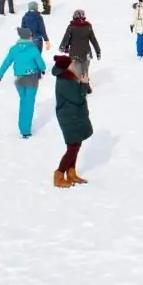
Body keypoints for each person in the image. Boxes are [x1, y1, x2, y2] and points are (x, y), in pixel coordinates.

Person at [0, 27, 48, 138]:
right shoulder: (33, 49)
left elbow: (6, 63)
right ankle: (25, 131)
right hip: (31, 79)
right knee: (29, 104)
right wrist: (42, 69)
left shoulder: (14, 49)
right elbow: (42, 65)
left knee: (23, 102)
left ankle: (22, 127)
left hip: (19, 80)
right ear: (29, 36)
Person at [52, 54, 93, 187]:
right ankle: (59, 175)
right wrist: (84, 83)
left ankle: (71, 173)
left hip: (75, 116)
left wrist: (83, 83)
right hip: (68, 118)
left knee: (76, 145)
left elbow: (80, 94)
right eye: (70, 64)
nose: (73, 65)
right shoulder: (64, 81)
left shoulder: (69, 77)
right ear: (65, 67)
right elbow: (77, 98)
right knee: (72, 147)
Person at [59, 9, 101, 86]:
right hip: (86, 53)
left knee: (77, 73)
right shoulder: (88, 26)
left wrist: (62, 47)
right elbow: (93, 40)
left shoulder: (71, 26)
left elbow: (66, 38)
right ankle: (86, 85)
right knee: (85, 71)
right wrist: (98, 51)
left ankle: (79, 88)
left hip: (75, 53)